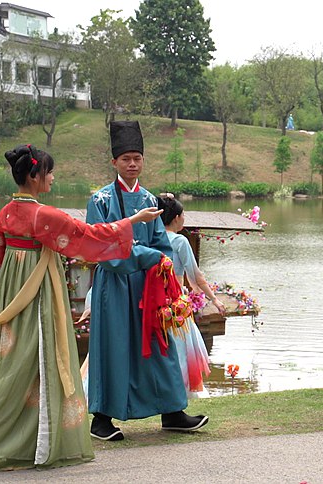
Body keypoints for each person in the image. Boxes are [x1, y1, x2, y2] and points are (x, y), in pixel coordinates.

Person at [0, 144, 162, 472]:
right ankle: (39, 442)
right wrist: (134, 219)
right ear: (34, 177)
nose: (52, 178)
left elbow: (0, 252)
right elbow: (90, 237)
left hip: (11, 292)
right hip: (38, 294)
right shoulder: (43, 215)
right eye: (48, 172)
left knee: (15, 363)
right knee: (44, 360)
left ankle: (3, 433)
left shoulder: (7, 212)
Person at [86, 121, 208, 441]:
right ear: (114, 162)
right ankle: (101, 420)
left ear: (143, 161)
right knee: (114, 348)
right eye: (126, 158)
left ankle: (172, 411)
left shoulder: (151, 199)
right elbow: (100, 246)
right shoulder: (99, 201)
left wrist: (157, 259)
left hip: (148, 286)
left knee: (160, 346)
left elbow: (163, 244)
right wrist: (144, 255)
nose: (132, 164)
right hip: (113, 285)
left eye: (137, 158)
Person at [159, 194, 226, 394]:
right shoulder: (179, 241)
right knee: (181, 347)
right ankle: (181, 389)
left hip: (155, 300)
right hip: (175, 301)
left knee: (161, 346)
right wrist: (214, 299)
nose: (184, 219)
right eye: (183, 215)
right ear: (176, 217)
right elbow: (196, 277)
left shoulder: (151, 238)